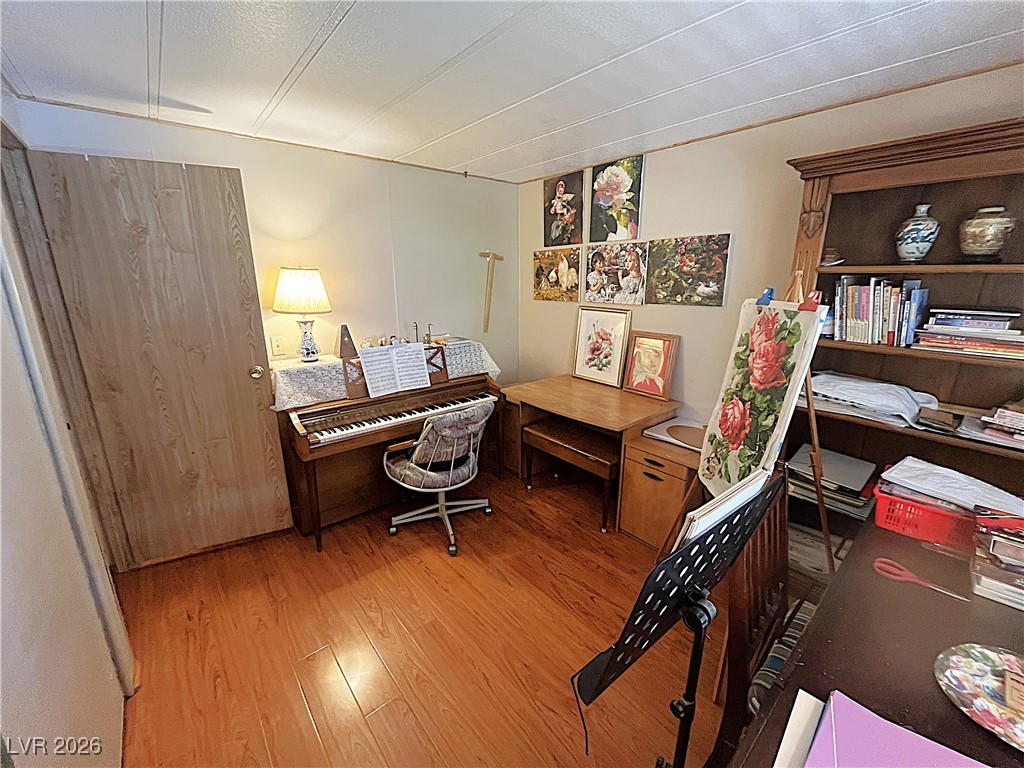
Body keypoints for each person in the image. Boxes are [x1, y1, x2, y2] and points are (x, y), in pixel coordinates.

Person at [548, 179, 578, 245]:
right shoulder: (554, 201)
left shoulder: (565, 200)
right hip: (558, 220)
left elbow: (568, 208)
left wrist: (569, 211)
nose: (561, 191)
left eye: (562, 189)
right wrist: (555, 206)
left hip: (564, 219)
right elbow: (552, 211)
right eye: (559, 189)